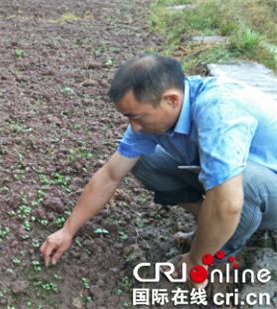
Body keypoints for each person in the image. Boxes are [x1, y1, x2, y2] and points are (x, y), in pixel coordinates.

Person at [40, 53, 277, 289]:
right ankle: (211, 230)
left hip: (267, 189)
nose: (134, 127)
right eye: (129, 117)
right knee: (142, 159)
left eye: (138, 117)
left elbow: (229, 202)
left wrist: (195, 260)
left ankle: (221, 257)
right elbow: (110, 175)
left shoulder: (218, 110)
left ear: (171, 99)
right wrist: (67, 230)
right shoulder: (165, 108)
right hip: (246, 188)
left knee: (238, 186)